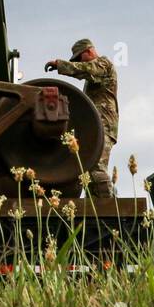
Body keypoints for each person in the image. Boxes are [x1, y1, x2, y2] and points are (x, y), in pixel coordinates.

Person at [46, 38, 118, 198]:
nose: (79, 61)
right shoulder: (94, 77)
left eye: (80, 57)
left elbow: (86, 69)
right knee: (88, 168)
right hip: (96, 125)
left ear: (89, 51)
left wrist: (60, 64)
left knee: (97, 167)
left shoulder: (103, 64)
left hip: (104, 124)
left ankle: (108, 208)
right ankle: (97, 207)